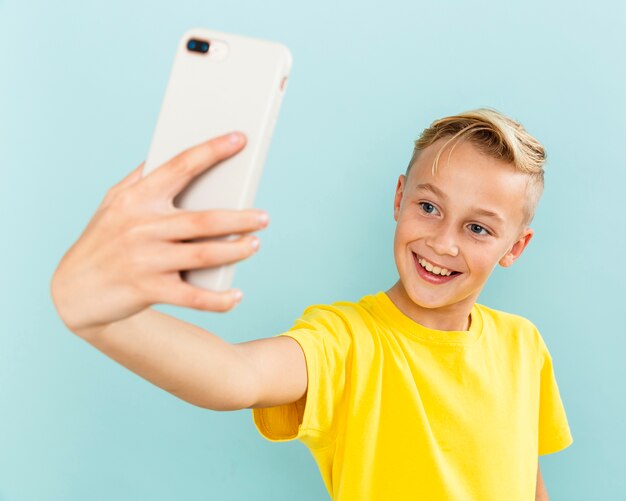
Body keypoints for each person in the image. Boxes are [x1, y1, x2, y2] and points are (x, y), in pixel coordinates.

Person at [50, 108, 572, 501]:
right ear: (399, 199)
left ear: (516, 247)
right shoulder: (346, 339)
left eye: (478, 228)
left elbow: (528, 483)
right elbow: (237, 375)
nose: (443, 243)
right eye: (429, 206)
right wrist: (100, 316)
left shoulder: (522, 344)